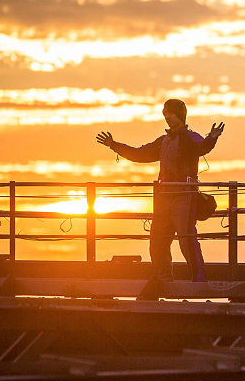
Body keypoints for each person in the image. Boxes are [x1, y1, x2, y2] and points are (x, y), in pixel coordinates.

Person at [96, 99, 224, 282]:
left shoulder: (191, 137)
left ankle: (199, 280)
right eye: (165, 113)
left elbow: (202, 147)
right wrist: (114, 145)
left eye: (170, 113)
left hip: (184, 197)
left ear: (179, 115)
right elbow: (139, 154)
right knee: (157, 241)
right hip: (163, 198)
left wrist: (212, 137)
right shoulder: (162, 141)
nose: (167, 117)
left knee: (186, 240)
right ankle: (162, 277)